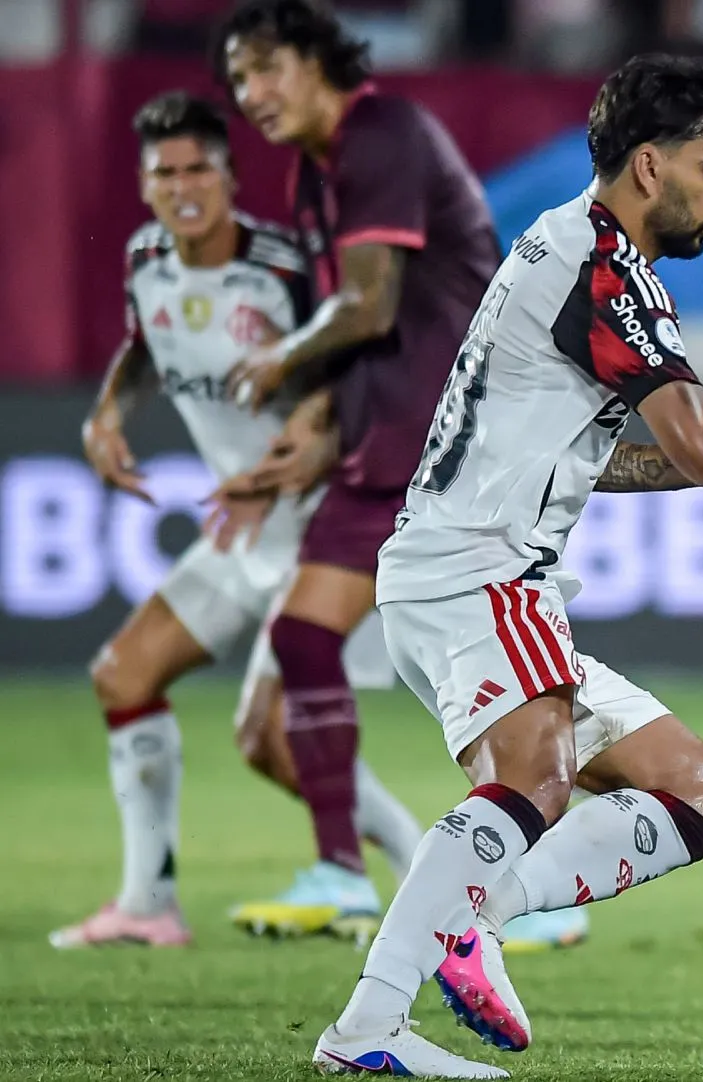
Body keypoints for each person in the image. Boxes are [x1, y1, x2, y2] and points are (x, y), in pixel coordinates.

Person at [309, 55, 703, 1077]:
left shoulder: (578, 251)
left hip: (486, 572)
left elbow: (622, 454)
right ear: (649, 165)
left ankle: (472, 914)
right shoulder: (604, 272)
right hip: (476, 571)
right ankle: (369, 1026)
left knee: (695, 788)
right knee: (533, 777)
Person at [51, 91, 419, 950]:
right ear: (144, 184)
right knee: (124, 675)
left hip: (322, 528)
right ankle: (146, 904)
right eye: (164, 172)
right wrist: (105, 414)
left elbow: (360, 373)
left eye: (197, 169)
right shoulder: (146, 258)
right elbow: (146, 347)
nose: (182, 187)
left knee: (269, 740)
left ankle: (439, 887)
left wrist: (301, 442)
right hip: (241, 526)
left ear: (228, 176)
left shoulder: (286, 271)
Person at [213, 0, 500, 941]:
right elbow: (366, 330)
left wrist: (279, 363)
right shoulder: (319, 168)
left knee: (491, 683)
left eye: (263, 68)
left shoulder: (382, 133)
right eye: (238, 78)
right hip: (392, 441)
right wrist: (319, 419)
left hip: (449, 445)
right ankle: (346, 872)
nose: (250, 93)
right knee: (307, 641)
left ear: (314, 57)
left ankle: (509, 891)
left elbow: (369, 308)